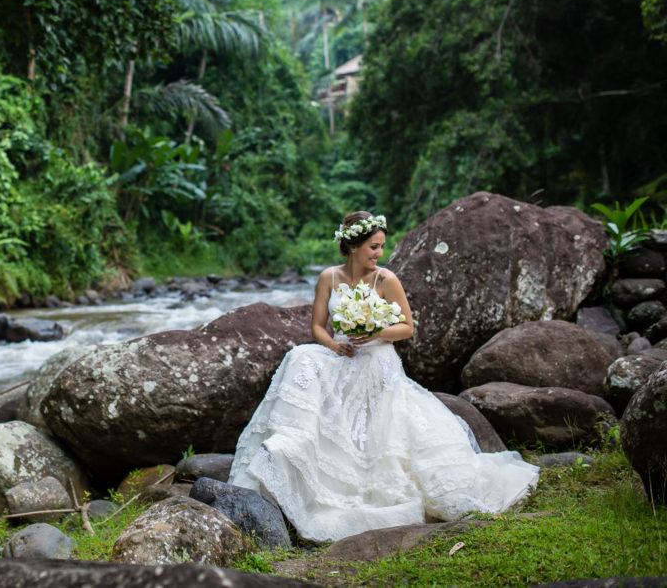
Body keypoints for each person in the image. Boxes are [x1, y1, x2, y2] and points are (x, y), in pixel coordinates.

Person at [228, 211, 539, 542]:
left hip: (377, 360)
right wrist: (334, 344)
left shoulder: (386, 280)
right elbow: (318, 326)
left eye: (380, 247)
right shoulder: (328, 278)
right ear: (352, 245)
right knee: (300, 356)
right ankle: (292, 447)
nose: (378, 254)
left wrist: (376, 329)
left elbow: (406, 326)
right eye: (373, 247)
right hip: (344, 355)